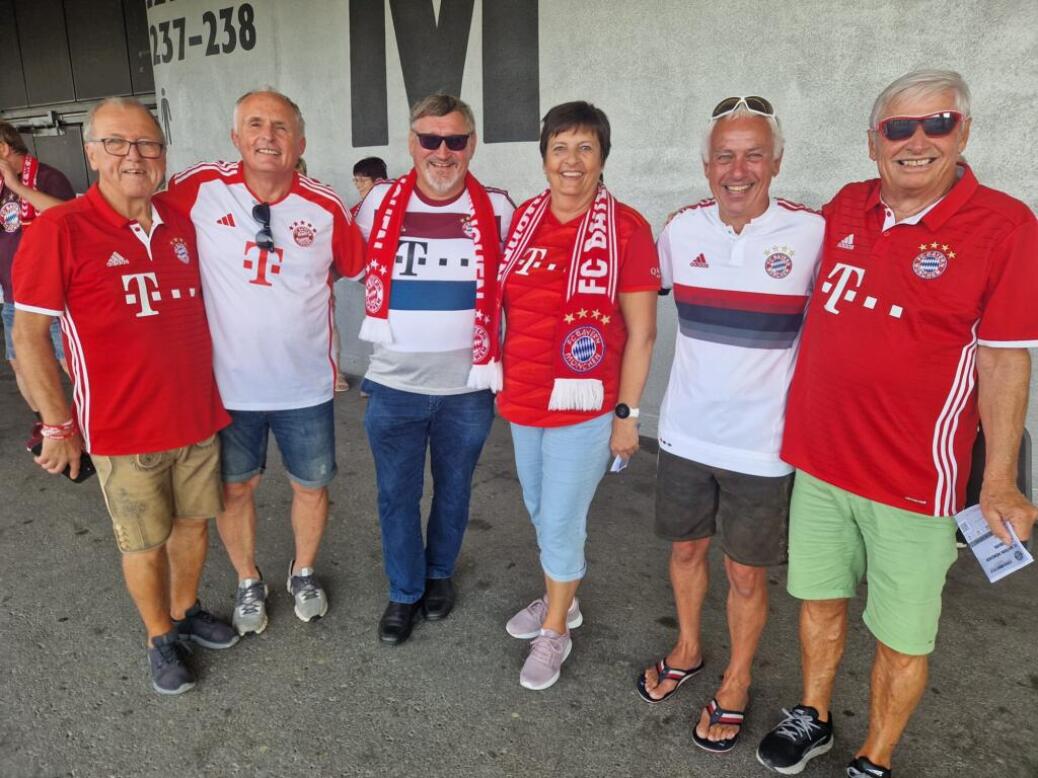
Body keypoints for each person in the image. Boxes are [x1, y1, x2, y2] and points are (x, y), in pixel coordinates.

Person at [756, 70, 1038, 778]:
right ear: (874, 142)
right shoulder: (847, 206)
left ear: (963, 132)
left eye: (936, 125)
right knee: (818, 604)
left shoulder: (1004, 226)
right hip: (820, 464)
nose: (916, 142)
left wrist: (1000, 480)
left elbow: (1004, 362)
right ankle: (812, 715)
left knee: (902, 637)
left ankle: (875, 757)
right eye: (897, 129)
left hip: (914, 481)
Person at [12, 97, 235, 695]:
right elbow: (28, 337)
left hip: (196, 417)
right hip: (121, 428)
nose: (133, 156)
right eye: (117, 143)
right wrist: (57, 425)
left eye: (147, 145)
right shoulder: (60, 229)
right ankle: (160, 636)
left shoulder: (182, 221)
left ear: (163, 155)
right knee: (144, 542)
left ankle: (186, 611)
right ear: (91, 153)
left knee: (195, 527)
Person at [638, 97, 823, 751]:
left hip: (763, 445)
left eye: (752, 154)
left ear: (776, 162)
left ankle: (739, 680)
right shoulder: (680, 230)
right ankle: (688, 647)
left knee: (747, 573)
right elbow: (632, 305)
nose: (737, 170)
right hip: (686, 431)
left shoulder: (812, 234)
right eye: (724, 155)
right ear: (706, 164)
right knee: (685, 550)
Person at [163, 89, 365, 636]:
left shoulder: (325, 207)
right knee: (234, 489)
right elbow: (142, 222)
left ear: (301, 142)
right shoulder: (198, 188)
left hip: (305, 385)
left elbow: (347, 265)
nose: (268, 136)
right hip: (228, 387)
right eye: (255, 124)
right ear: (235, 137)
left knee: (311, 486)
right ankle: (249, 580)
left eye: (281, 127)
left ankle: (302, 571)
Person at [495, 101, 659, 690]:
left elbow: (641, 333)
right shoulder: (524, 221)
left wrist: (627, 415)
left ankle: (556, 628)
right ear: (543, 158)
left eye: (585, 148)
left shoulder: (628, 229)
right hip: (523, 398)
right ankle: (561, 596)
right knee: (542, 512)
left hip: (585, 406)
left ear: (603, 159)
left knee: (561, 522)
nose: (572, 161)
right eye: (560, 147)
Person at [354, 94, 514, 645]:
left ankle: (439, 573)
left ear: (473, 144)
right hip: (395, 386)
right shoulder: (376, 206)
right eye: (430, 139)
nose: (442, 152)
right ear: (411, 143)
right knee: (396, 495)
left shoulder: (498, 208)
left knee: (453, 490)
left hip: (467, 388)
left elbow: (519, 294)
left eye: (455, 140)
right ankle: (404, 591)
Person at [0, 121, 75, 444]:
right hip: (13, 295)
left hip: (53, 295)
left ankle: (100, 422)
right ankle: (48, 426)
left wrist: (17, 186)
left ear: (3, 148)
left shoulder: (48, 178)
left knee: (68, 362)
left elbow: (70, 217)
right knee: (21, 363)